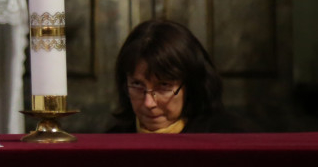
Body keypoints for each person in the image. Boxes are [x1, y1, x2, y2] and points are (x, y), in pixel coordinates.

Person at [108, 19, 252, 133]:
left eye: (164, 85)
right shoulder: (112, 141)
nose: (148, 103)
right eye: (137, 85)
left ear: (191, 85)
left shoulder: (230, 138)